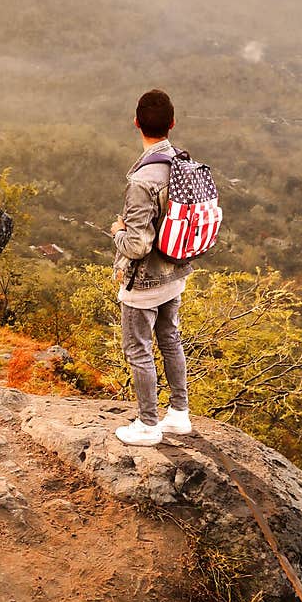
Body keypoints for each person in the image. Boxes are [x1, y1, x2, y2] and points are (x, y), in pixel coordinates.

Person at [110, 89, 194, 446]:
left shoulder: (142, 181)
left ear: (136, 123)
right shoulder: (184, 163)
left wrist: (117, 233)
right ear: (172, 124)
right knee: (170, 338)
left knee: (139, 349)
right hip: (176, 272)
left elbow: (138, 245)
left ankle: (147, 425)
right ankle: (179, 414)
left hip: (144, 283)